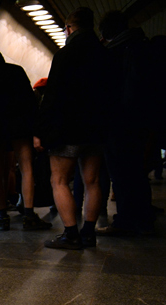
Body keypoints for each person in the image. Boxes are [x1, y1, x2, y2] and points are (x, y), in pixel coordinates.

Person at [34, 7, 113, 249]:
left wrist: (41, 130)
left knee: (58, 180)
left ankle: (71, 234)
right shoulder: (105, 54)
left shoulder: (65, 54)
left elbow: (53, 96)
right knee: (92, 181)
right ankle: (89, 232)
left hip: (67, 129)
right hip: (96, 129)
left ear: (69, 28)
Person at [96, 11, 156, 235]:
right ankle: (143, 218)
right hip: (142, 121)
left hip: (120, 122)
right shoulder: (143, 46)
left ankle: (125, 222)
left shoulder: (118, 52)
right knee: (137, 172)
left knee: (121, 173)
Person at [0, 43, 51, 231]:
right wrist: (35, 129)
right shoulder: (15, 71)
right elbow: (30, 101)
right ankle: (29, 215)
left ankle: (2, 217)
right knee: (27, 168)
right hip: (20, 126)